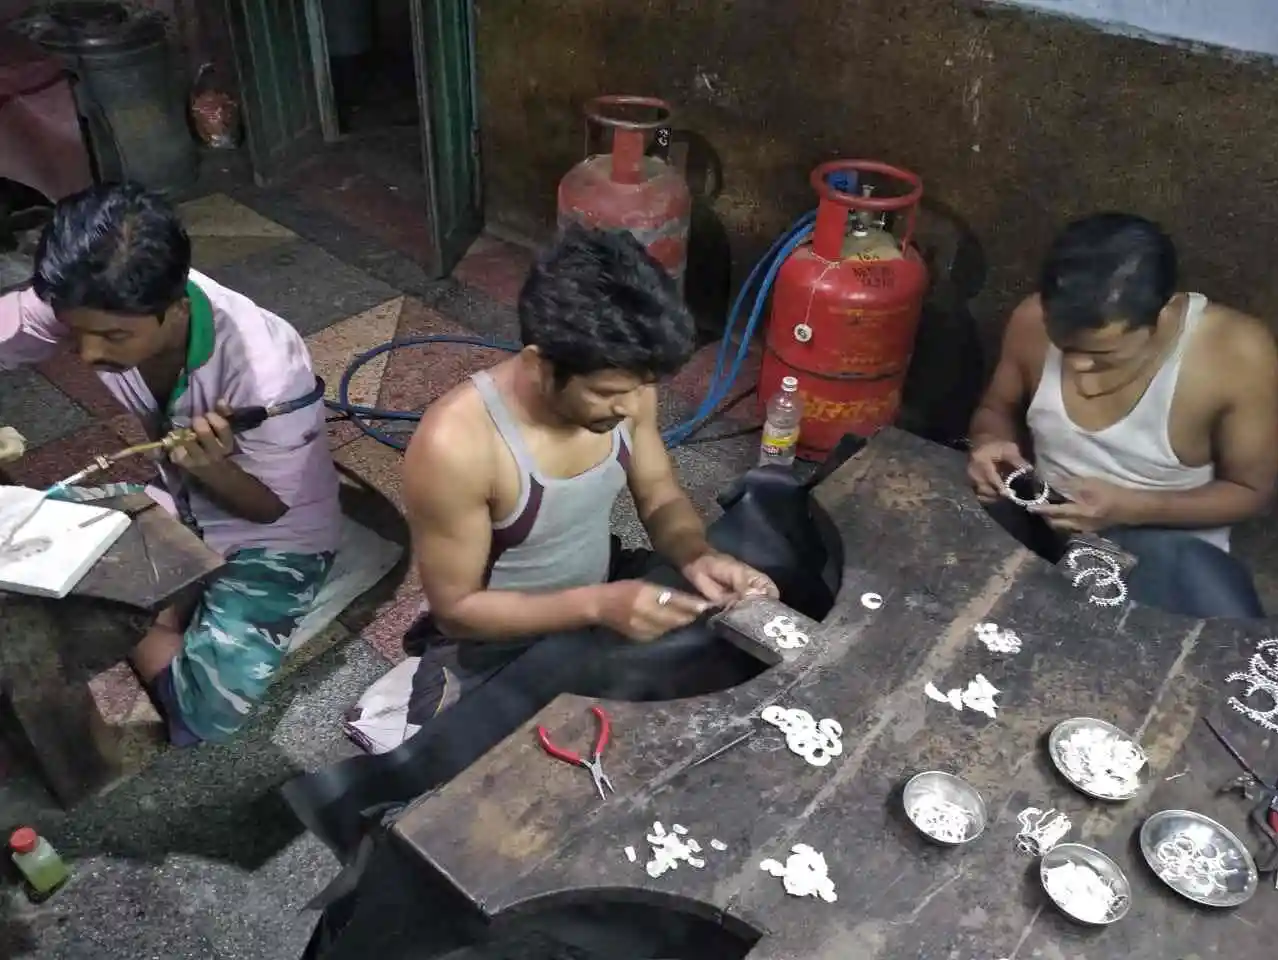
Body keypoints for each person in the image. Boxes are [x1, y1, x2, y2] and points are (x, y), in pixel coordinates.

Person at [0, 182, 341, 743]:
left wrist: (210, 468)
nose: (88, 353)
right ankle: (148, 603)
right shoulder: (84, 298)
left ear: (177, 307)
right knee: (14, 535)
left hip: (271, 529)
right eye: (74, 331)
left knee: (207, 712)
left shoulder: (267, 373)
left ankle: (140, 616)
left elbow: (268, 508)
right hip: (173, 494)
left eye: (113, 336)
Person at [400, 223, 778, 718]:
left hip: (601, 585)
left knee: (730, 662)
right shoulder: (456, 445)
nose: (630, 406)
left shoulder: (629, 384)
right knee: (465, 757)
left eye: (641, 387)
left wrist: (696, 556)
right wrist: (598, 606)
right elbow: (457, 611)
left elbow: (660, 496)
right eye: (606, 393)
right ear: (538, 366)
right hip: (494, 637)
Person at [966, 212, 1278, 618]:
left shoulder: (1235, 355)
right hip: (1047, 530)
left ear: (1161, 315)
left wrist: (1134, 508)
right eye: (1065, 347)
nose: (1077, 366)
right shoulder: (1031, 321)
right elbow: (995, 410)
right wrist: (989, 442)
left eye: (1102, 354)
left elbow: (1250, 491)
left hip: (1170, 560)